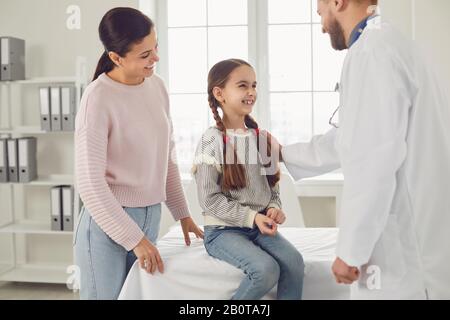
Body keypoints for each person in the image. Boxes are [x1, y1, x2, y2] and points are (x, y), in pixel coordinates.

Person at [280, 0, 450, 299]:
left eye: (319, 4)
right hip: (406, 247)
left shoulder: (374, 52)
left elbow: (374, 158)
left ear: (337, 1)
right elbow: (350, 140)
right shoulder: (382, 45)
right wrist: (282, 153)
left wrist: (350, 250)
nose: (318, 12)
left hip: (404, 255)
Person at [74, 7, 203, 300]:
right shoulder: (97, 98)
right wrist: (134, 239)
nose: (155, 58)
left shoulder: (157, 87)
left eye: (154, 47)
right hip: (107, 224)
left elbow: (166, 158)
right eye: (144, 55)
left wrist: (183, 214)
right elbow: (91, 185)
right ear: (116, 58)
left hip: (150, 216)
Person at [192, 59, 304, 300]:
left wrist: (274, 207)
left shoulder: (261, 138)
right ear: (219, 93)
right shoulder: (211, 141)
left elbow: (272, 188)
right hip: (223, 231)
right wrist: (253, 217)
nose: (251, 92)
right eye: (243, 85)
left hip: (258, 227)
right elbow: (209, 200)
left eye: (254, 85)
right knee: (265, 270)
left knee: (294, 262)